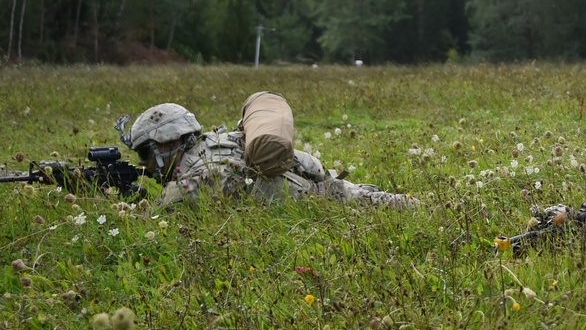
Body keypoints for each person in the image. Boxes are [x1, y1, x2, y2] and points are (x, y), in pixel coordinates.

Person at [122, 102, 418, 209]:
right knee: (370, 199)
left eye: (145, 153)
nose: (143, 164)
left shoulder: (196, 179)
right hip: (321, 186)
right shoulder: (219, 140)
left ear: (166, 144)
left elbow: (157, 218)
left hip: (315, 202)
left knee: (370, 205)